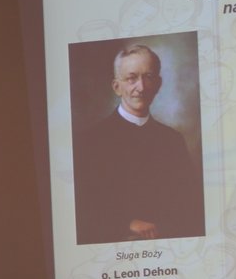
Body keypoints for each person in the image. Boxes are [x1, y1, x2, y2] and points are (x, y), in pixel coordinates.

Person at [73, 44, 204, 244]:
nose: (141, 87)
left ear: (158, 84)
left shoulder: (173, 141)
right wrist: (127, 223)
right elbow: (83, 208)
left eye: (148, 77)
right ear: (117, 87)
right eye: (131, 78)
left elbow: (190, 206)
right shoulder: (89, 141)